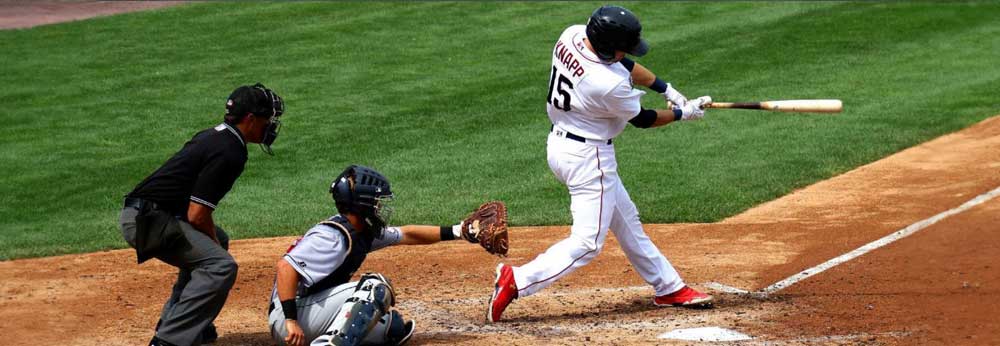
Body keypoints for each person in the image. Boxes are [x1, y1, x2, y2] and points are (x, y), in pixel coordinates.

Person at [487, 5, 714, 323]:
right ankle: (518, 280)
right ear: (608, 47)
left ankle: (669, 287)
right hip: (589, 158)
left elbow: (626, 63)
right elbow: (645, 119)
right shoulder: (605, 84)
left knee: (626, 219)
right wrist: (683, 114)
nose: (626, 53)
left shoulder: (572, 34)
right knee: (588, 242)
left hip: (561, 145)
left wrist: (667, 89)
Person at [119, 83, 285, 345]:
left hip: (148, 214)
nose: (271, 127)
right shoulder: (231, 151)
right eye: (267, 120)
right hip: (148, 221)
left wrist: (214, 241)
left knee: (218, 239)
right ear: (251, 119)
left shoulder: (217, 136)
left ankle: (190, 323)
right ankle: (169, 340)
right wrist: (214, 245)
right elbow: (197, 214)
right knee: (220, 265)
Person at [269, 165, 498, 346]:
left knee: (391, 327)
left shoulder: (360, 230)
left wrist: (460, 231)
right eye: (377, 202)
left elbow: (407, 234)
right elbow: (285, 268)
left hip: (309, 311)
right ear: (363, 204)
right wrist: (290, 321)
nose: (380, 207)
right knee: (375, 288)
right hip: (292, 318)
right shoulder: (333, 237)